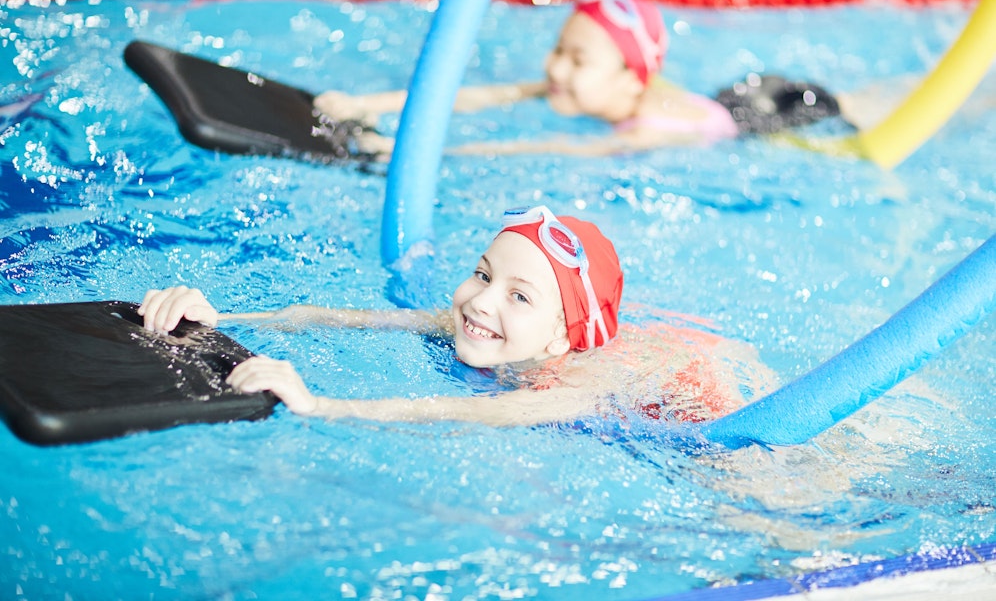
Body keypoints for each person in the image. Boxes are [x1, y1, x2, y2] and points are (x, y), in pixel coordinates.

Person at [139, 205, 773, 427]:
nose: (481, 301)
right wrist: (227, 315)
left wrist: (322, 405)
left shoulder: (570, 385)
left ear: (560, 339)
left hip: (712, 406)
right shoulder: (483, 323)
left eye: (519, 296)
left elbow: (473, 411)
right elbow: (342, 317)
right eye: (483, 273)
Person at [318, 0, 879, 159]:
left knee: (864, 109)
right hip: (733, 93)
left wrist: (408, 151)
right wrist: (370, 104)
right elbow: (484, 95)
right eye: (560, 48)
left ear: (629, 81)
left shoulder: (644, 131)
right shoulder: (586, 87)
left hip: (772, 114)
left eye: (578, 59)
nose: (555, 67)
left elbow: (545, 148)